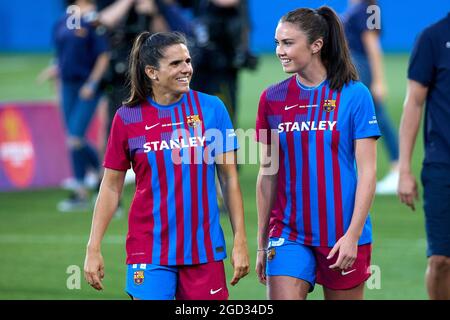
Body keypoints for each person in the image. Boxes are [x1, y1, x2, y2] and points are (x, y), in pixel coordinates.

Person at [83, 31, 249, 300]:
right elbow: (111, 186)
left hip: (204, 250)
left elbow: (228, 179)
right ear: (152, 72)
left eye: (187, 60)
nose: (187, 69)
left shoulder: (212, 109)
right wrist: (93, 247)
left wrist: (239, 239)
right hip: (148, 250)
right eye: (176, 64)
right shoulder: (127, 118)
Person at [255, 6, 381, 300]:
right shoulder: (271, 99)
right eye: (277, 43)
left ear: (316, 45)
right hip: (288, 233)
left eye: (288, 43)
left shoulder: (355, 95)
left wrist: (352, 236)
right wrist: (263, 243)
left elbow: (368, 172)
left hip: (342, 235)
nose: (279, 51)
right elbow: (268, 173)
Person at [397, 13, 450, 300]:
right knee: (441, 260)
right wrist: (404, 169)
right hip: (442, 165)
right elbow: (414, 102)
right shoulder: (432, 38)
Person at [52, 0, 110, 211]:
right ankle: (82, 189)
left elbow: (103, 55)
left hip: (87, 84)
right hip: (67, 85)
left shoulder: (93, 19)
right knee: (72, 139)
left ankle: (103, 176)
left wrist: (93, 82)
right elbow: (59, 53)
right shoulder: (64, 19)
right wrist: (55, 71)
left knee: (75, 137)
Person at [342, 0, 399, 195]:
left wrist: (379, 80)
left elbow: (372, 45)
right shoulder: (359, 8)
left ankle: (398, 169)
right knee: (371, 116)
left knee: (375, 116)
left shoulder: (368, 8)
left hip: (361, 67)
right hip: (356, 66)